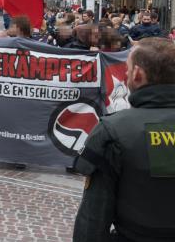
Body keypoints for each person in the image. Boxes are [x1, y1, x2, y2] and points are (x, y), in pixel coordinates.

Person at [73, 37, 175, 241]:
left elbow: (93, 219)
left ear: (138, 74)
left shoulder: (113, 131)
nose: (126, 73)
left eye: (128, 68)